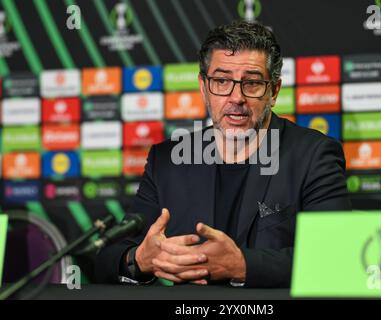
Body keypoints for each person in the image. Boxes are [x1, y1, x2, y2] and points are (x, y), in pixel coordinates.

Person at [95, 20, 351, 288]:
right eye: (221, 81)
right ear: (204, 88)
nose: (236, 97)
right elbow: (106, 259)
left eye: (251, 83)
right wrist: (139, 259)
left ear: (273, 92)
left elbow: (335, 258)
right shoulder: (168, 159)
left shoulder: (313, 155)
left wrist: (242, 265)